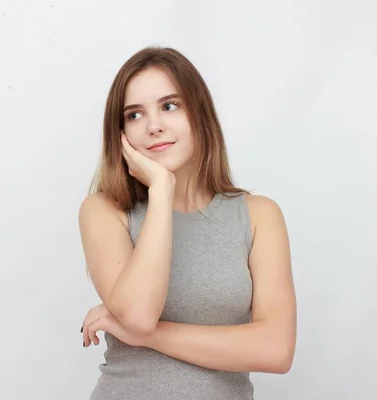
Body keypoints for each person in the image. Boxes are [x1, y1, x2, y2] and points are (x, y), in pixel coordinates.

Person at [77, 46, 297, 400]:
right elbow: (137, 315)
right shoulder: (106, 209)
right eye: (134, 115)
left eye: (169, 106)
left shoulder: (258, 216)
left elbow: (275, 350)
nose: (154, 126)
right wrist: (162, 191)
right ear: (120, 134)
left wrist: (148, 337)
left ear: (200, 113)